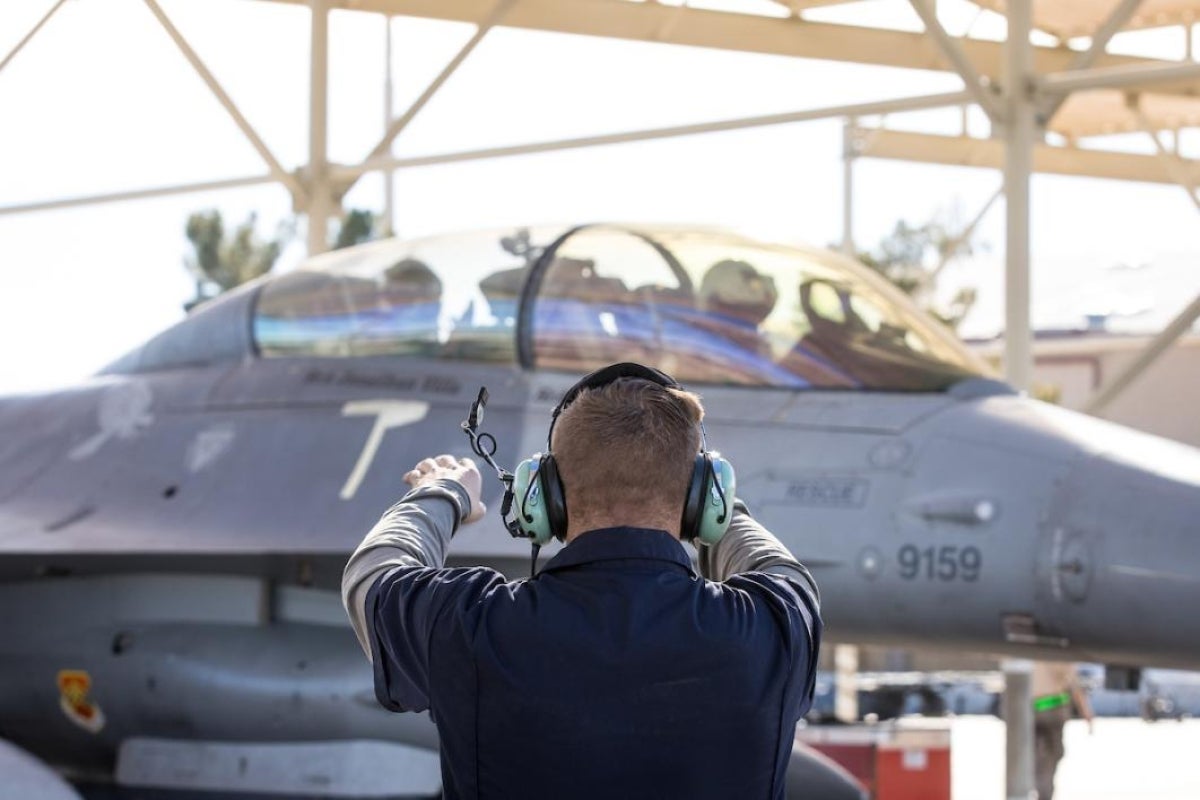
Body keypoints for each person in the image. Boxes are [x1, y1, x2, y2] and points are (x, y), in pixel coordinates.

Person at [342, 363, 822, 799]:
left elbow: (374, 575)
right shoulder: (774, 628)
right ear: (702, 498)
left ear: (544, 498)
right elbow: (774, 565)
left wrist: (441, 492)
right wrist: (712, 500)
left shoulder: (473, 625)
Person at [1032, 661, 1095, 799]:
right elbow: (1072, 681)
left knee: (1036, 756)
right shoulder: (1056, 651)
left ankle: (1037, 788)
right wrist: (1086, 712)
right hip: (1052, 709)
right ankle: (1043, 792)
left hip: (1030, 710)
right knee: (1050, 756)